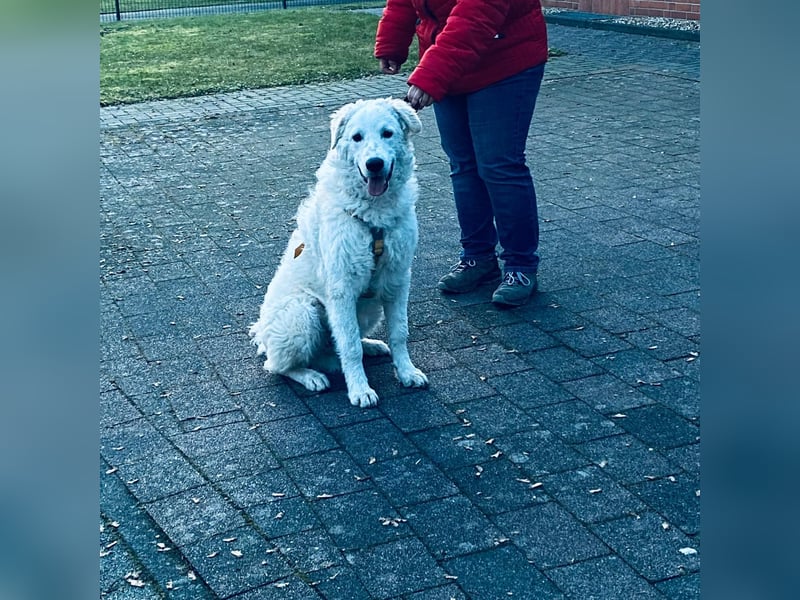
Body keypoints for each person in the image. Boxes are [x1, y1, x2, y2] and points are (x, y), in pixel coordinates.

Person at [375, 0, 549, 307]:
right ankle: (478, 258)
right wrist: (392, 42)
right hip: (452, 55)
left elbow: (478, 13)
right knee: (464, 167)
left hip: (505, 57)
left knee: (499, 166)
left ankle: (520, 267)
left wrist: (431, 75)